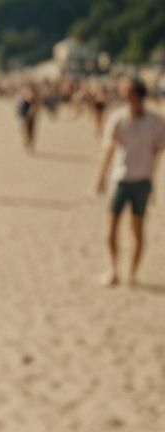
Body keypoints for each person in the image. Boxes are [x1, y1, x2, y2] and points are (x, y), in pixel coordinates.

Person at [94, 77, 165, 287]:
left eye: (128, 93)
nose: (125, 98)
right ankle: (114, 270)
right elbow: (109, 150)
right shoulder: (118, 118)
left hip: (141, 180)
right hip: (120, 179)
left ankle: (132, 274)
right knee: (110, 230)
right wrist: (100, 177)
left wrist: (152, 180)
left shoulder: (155, 122)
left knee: (137, 230)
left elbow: (157, 153)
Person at [16, 83, 38, 152]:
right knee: (24, 131)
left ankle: (30, 144)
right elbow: (19, 109)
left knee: (30, 131)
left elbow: (36, 107)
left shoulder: (33, 99)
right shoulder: (22, 100)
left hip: (30, 117)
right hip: (23, 116)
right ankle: (27, 143)